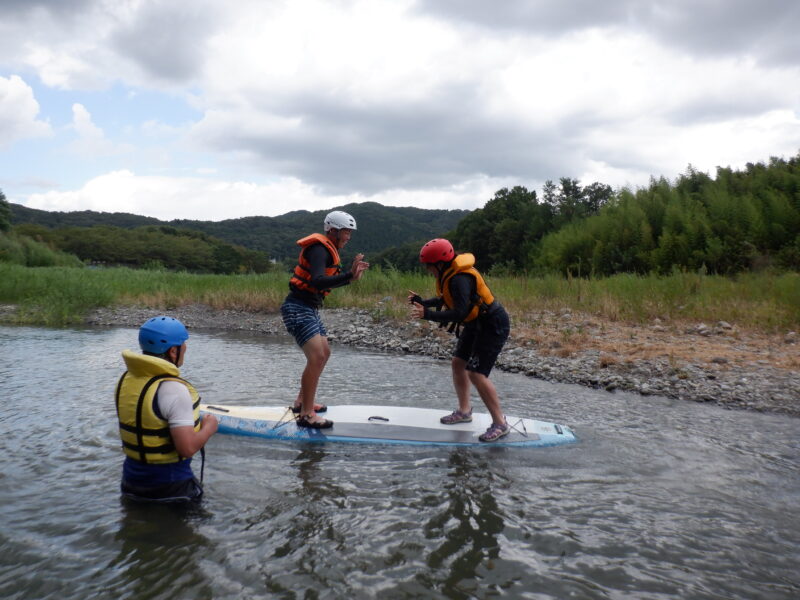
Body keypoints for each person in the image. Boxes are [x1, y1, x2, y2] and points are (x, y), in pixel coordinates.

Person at [408, 238, 511, 442]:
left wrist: (427, 314)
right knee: (458, 363)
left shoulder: (460, 278)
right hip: (476, 323)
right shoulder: (450, 275)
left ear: (440, 263)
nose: (428, 270)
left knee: (476, 373)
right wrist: (423, 302)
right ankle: (465, 412)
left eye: (429, 266)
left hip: (492, 324)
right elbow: (447, 299)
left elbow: (459, 312)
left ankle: (500, 423)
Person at [280, 210, 369, 428]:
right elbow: (319, 281)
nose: (348, 237)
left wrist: (350, 278)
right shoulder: (319, 249)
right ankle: (307, 415)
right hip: (297, 307)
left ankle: (302, 402)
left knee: (324, 353)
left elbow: (322, 283)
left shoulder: (326, 250)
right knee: (317, 356)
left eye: (349, 233)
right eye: (346, 232)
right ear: (333, 231)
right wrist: (348, 274)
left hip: (308, 308)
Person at [115, 316, 218, 502]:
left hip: (131, 483)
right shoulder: (174, 389)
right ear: (173, 351)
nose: (185, 348)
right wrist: (209, 427)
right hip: (172, 487)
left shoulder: (126, 380)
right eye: (183, 344)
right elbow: (187, 448)